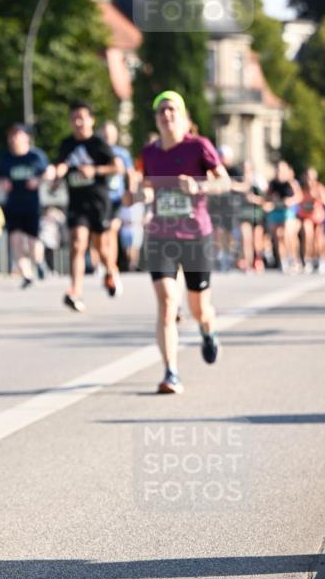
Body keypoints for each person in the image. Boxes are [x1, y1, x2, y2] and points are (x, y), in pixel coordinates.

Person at [137, 90, 230, 394]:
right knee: (166, 304)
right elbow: (144, 187)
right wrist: (142, 196)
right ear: (156, 118)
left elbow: (224, 182)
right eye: (161, 110)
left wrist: (199, 184)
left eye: (172, 109)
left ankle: (208, 329)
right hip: (160, 236)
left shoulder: (199, 147)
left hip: (195, 236)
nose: (167, 115)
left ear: (183, 115)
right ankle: (170, 372)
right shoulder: (149, 153)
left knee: (199, 309)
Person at [54, 101, 123, 312]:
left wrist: (95, 171)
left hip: (98, 202)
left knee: (101, 248)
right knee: (77, 243)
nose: (78, 122)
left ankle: (111, 272)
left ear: (91, 120)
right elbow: (60, 166)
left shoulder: (98, 143)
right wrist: (57, 175)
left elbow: (117, 167)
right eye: (74, 118)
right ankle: (75, 291)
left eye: (82, 117)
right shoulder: (66, 144)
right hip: (76, 203)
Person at [0, 123, 53, 287]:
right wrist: (3, 183)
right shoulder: (6, 158)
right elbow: (0, 177)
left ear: (26, 137)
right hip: (13, 204)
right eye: (11, 135)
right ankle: (27, 275)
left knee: (32, 242)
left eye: (18, 134)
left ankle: (39, 262)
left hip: (32, 204)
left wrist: (39, 180)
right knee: (15, 240)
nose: (14, 138)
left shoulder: (36, 156)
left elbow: (50, 172)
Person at [101, 121, 134, 292]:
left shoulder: (122, 153)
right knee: (101, 237)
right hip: (99, 200)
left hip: (116, 200)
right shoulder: (97, 151)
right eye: (104, 134)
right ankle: (108, 267)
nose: (107, 137)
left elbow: (130, 174)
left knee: (112, 232)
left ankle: (112, 269)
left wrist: (131, 193)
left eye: (109, 134)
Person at [265, 160, 302, 273]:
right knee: (278, 236)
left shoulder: (291, 182)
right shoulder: (272, 184)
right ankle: (283, 260)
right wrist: (271, 201)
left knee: (288, 234)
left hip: (288, 212)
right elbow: (267, 198)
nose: (279, 172)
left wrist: (290, 201)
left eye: (282, 169)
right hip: (276, 211)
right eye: (278, 169)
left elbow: (299, 196)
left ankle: (294, 259)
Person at [297, 168, 325, 273]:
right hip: (306, 216)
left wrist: (317, 196)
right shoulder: (302, 188)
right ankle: (307, 260)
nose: (310, 180)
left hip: (318, 217)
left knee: (319, 240)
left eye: (312, 178)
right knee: (307, 236)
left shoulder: (319, 187)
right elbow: (298, 201)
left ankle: (322, 260)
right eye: (308, 177)